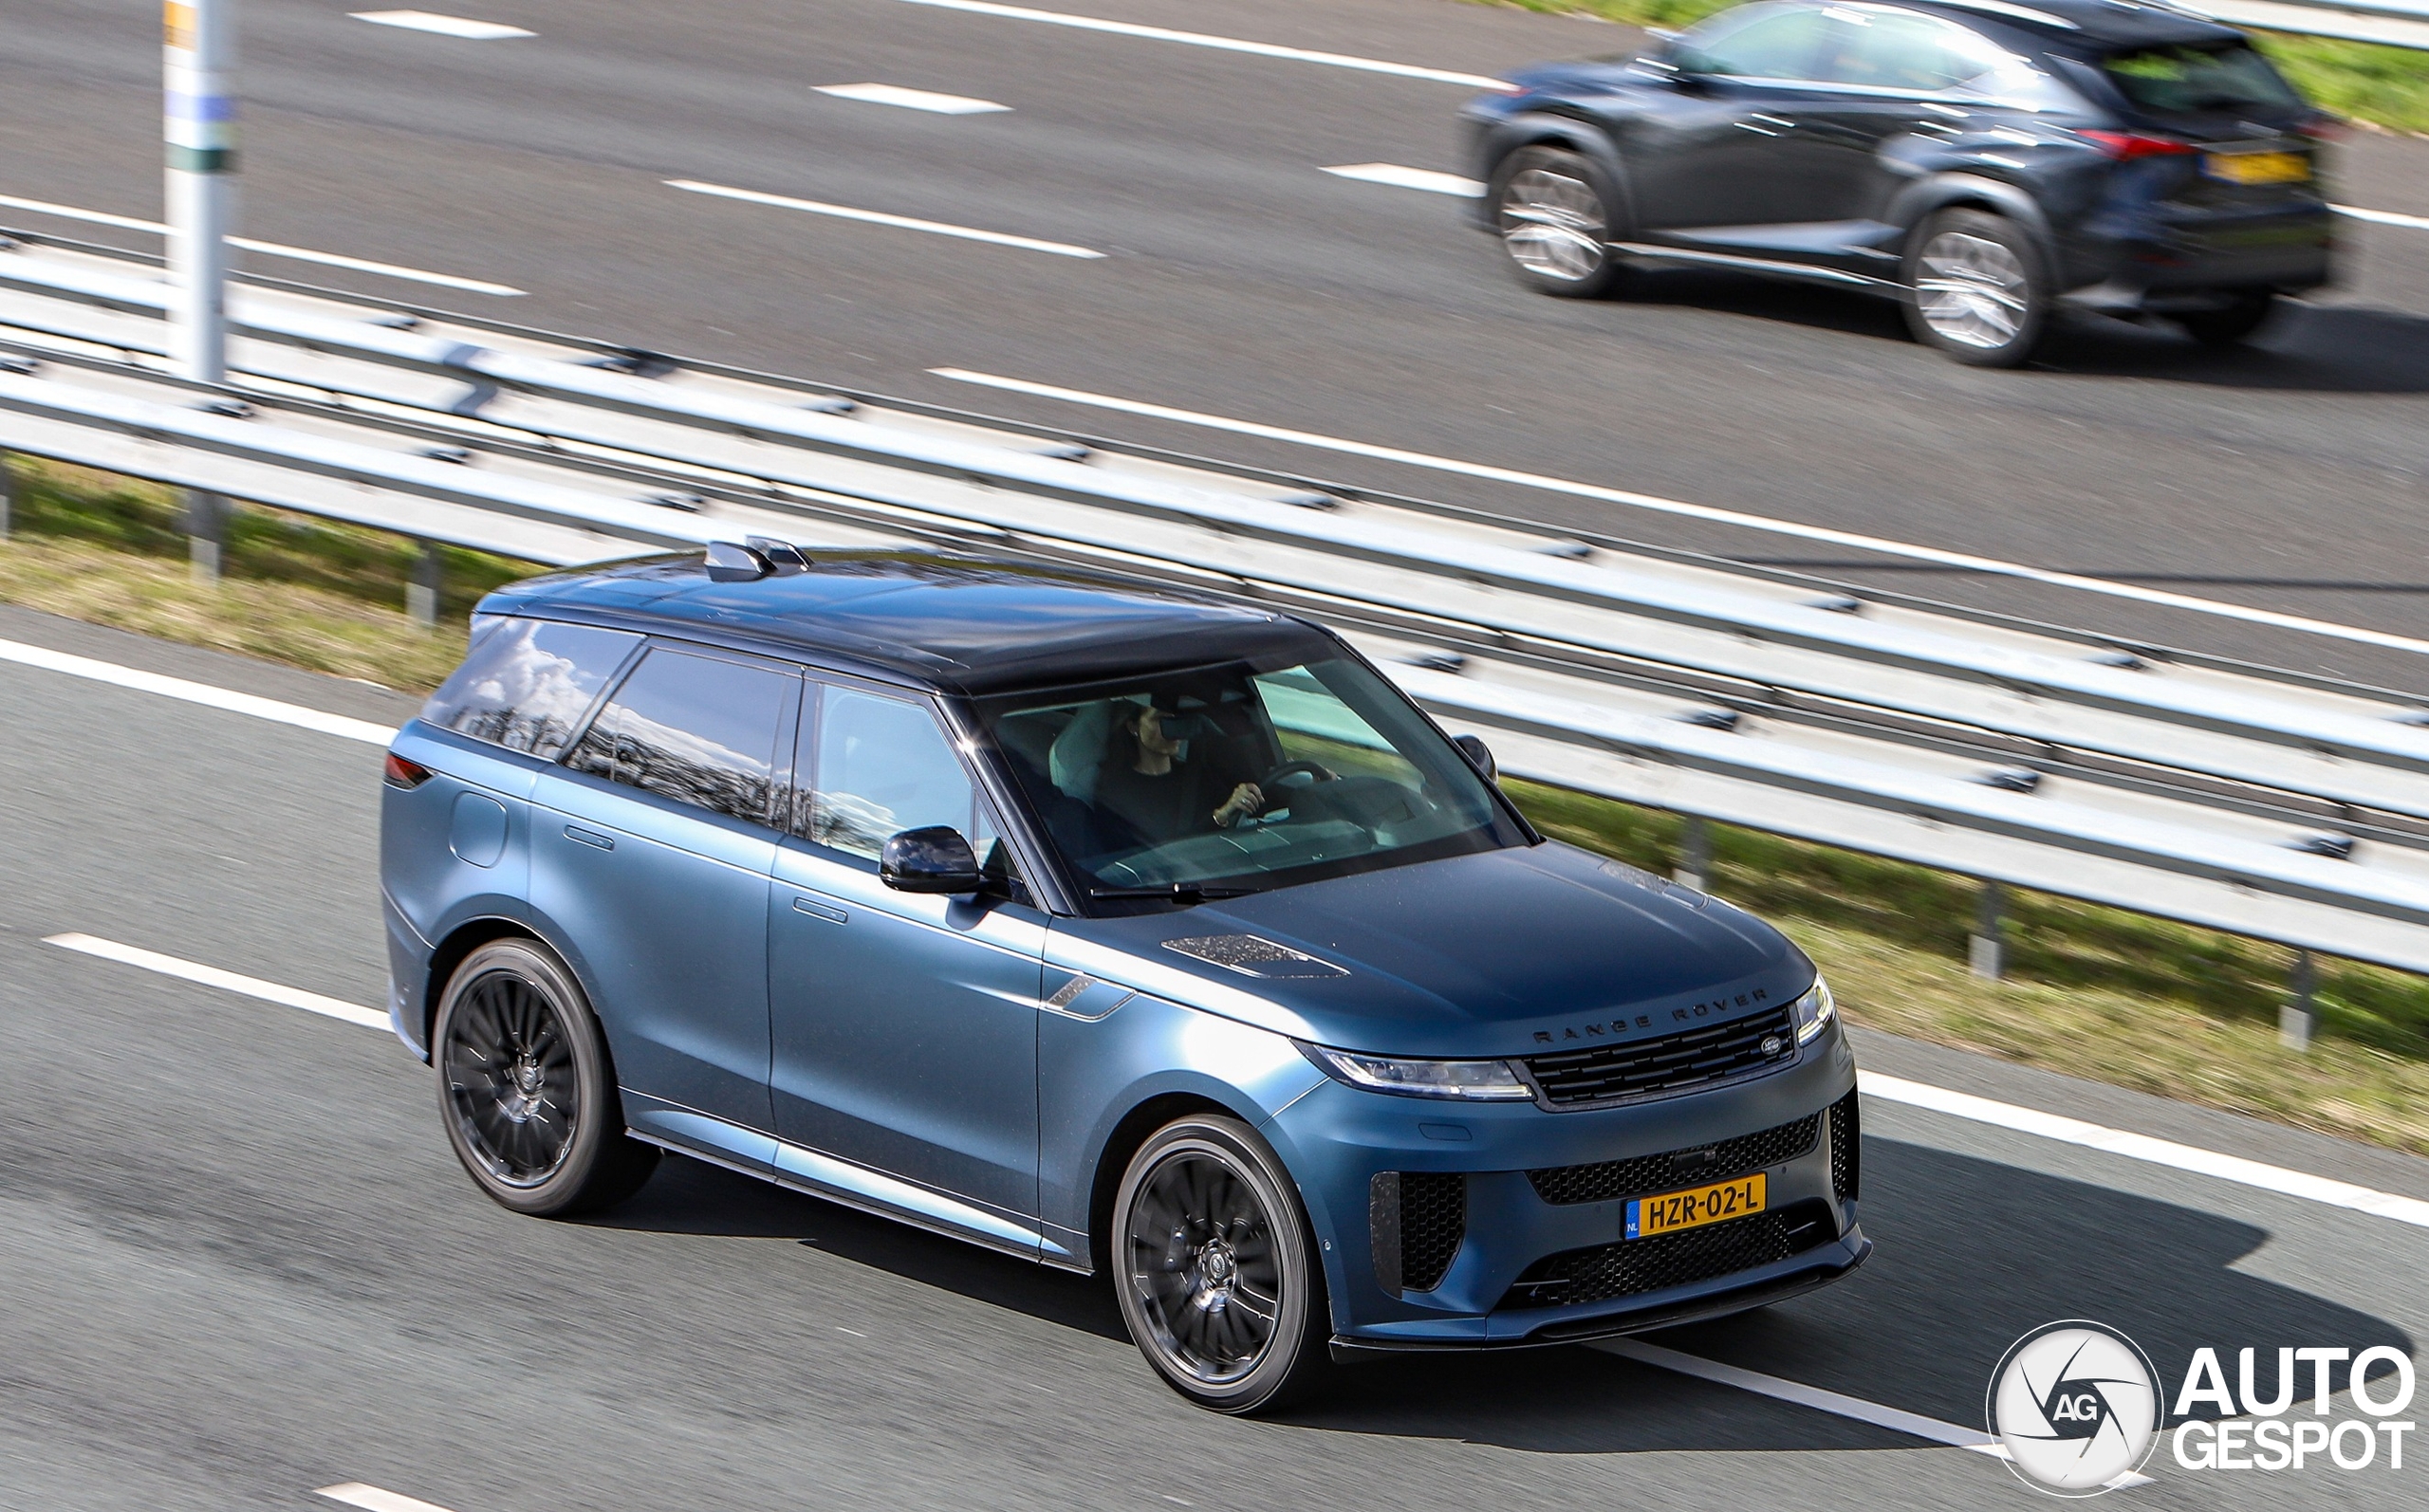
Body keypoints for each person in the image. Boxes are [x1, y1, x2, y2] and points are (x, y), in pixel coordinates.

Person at [1092, 703, 1264, 847]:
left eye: (1177, 718)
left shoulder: (1198, 776)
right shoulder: (1115, 794)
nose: (1174, 727)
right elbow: (1151, 858)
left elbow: (1241, 818)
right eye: (1161, 719)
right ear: (1133, 727)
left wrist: (1242, 799)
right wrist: (1218, 818)